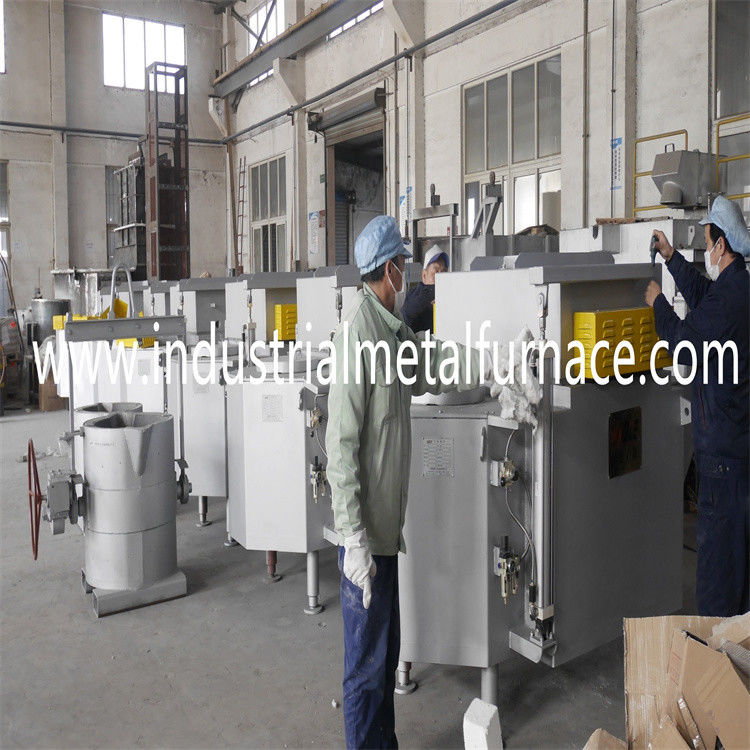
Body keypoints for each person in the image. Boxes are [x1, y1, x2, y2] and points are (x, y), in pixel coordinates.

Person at [326, 215, 486, 749]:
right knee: (365, 668)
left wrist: (491, 363)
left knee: (384, 654)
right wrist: (352, 537)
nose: (408, 276)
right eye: (403, 265)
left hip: (385, 533)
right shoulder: (359, 335)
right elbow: (340, 446)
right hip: (365, 538)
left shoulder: (389, 328)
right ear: (390, 268)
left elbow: (428, 364)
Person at [645, 195, 750, 616]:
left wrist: (658, 304)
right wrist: (672, 258)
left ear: (721, 245)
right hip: (740, 447)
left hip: (722, 456)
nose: (706, 251)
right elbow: (705, 293)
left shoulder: (727, 302)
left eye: (707, 243)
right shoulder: (739, 288)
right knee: (740, 564)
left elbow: (685, 345)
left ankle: (714, 649)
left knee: (718, 574)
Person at [401, 244, 449, 333]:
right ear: (424, 275)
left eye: (444, 272)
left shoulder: (447, 297)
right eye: (436, 272)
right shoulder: (414, 296)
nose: (441, 277)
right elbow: (409, 313)